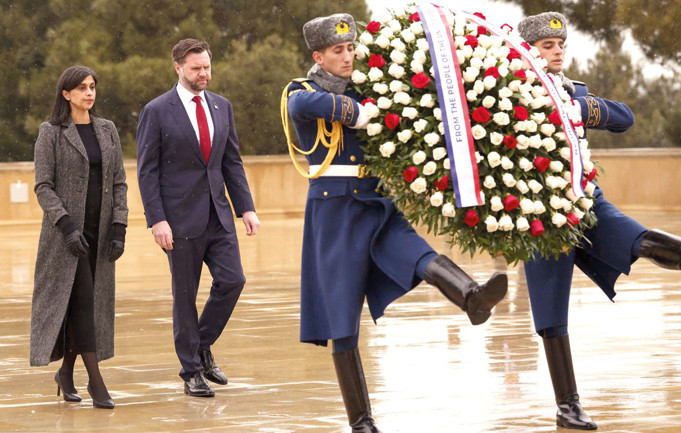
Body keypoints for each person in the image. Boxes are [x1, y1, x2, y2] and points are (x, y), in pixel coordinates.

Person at [282, 14, 509, 432]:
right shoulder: (304, 89)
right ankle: (362, 421)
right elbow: (303, 106)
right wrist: (354, 112)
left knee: (417, 253)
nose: (348, 56)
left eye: (351, 48)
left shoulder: (372, 88)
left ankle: (472, 297)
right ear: (318, 56)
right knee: (342, 316)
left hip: (377, 202)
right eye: (338, 51)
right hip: (335, 213)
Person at [516, 12, 681, 430]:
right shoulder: (508, 95)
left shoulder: (573, 90)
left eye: (561, 44)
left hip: (583, 197)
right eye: (548, 45)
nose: (558, 50)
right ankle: (568, 405)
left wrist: (578, 105)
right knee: (551, 307)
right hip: (537, 211)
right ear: (528, 52)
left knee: (630, 234)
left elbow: (625, 118)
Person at [136, 38, 260, 398]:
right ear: (178, 67)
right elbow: (147, 171)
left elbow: (231, 161)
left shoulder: (222, 106)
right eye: (196, 68)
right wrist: (157, 219)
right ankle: (191, 371)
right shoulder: (157, 111)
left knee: (233, 281)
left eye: (206, 66)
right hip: (178, 221)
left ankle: (200, 346)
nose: (203, 73)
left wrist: (246, 208)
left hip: (218, 216)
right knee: (185, 295)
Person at [31, 66, 128, 409]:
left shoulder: (107, 130)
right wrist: (66, 226)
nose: (89, 93)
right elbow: (43, 186)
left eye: (92, 87)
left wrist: (119, 225)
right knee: (85, 304)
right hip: (65, 238)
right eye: (82, 88)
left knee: (83, 307)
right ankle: (96, 381)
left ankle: (65, 373)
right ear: (66, 94)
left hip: (99, 235)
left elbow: (118, 181)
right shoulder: (51, 132)